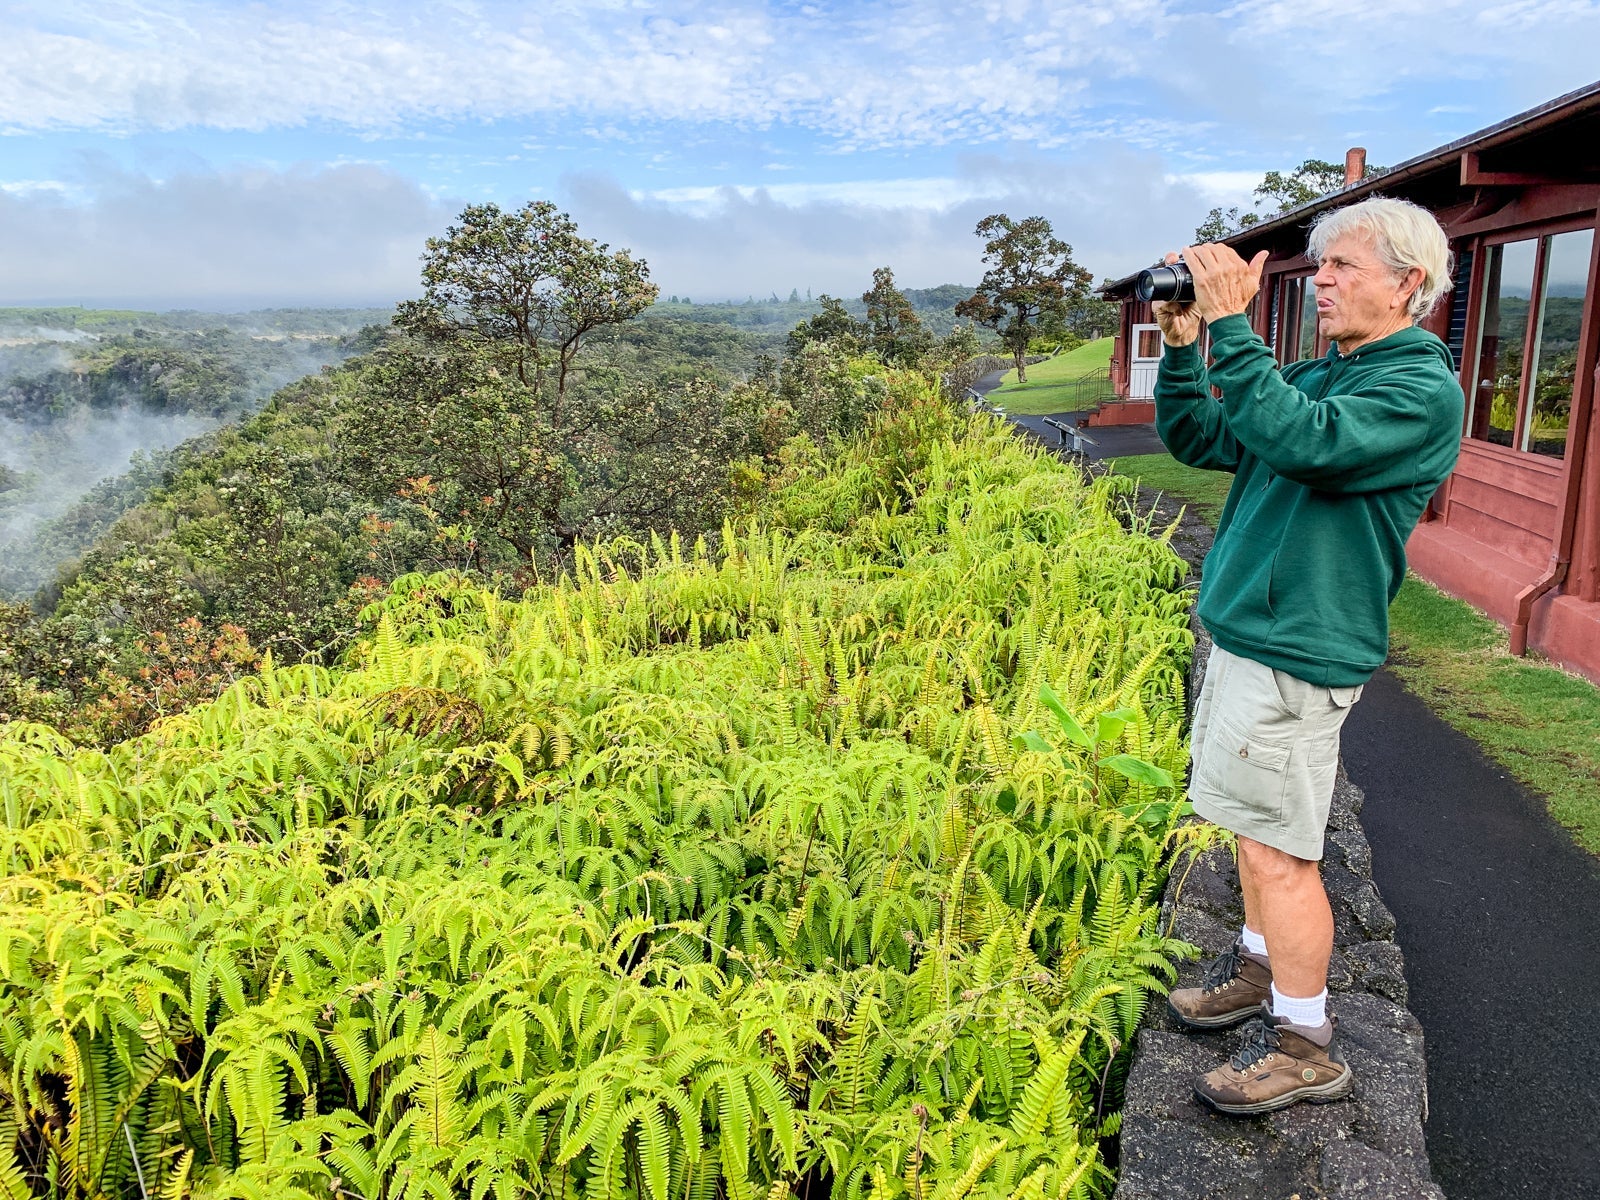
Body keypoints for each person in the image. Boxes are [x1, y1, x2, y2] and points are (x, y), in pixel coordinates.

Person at [1151, 196, 1463, 1115]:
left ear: (1409, 285)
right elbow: (1207, 435)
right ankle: (1257, 970)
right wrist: (1181, 346)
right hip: (1253, 639)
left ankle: (1304, 1043)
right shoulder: (1333, 374)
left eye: (1342, 269)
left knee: (1283, 854)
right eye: (1319, 269)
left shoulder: (1415, 391)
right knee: (1253, 832)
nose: (1320, 282)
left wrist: (1235, 325)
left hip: (1298, 652)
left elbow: (1299, 441)